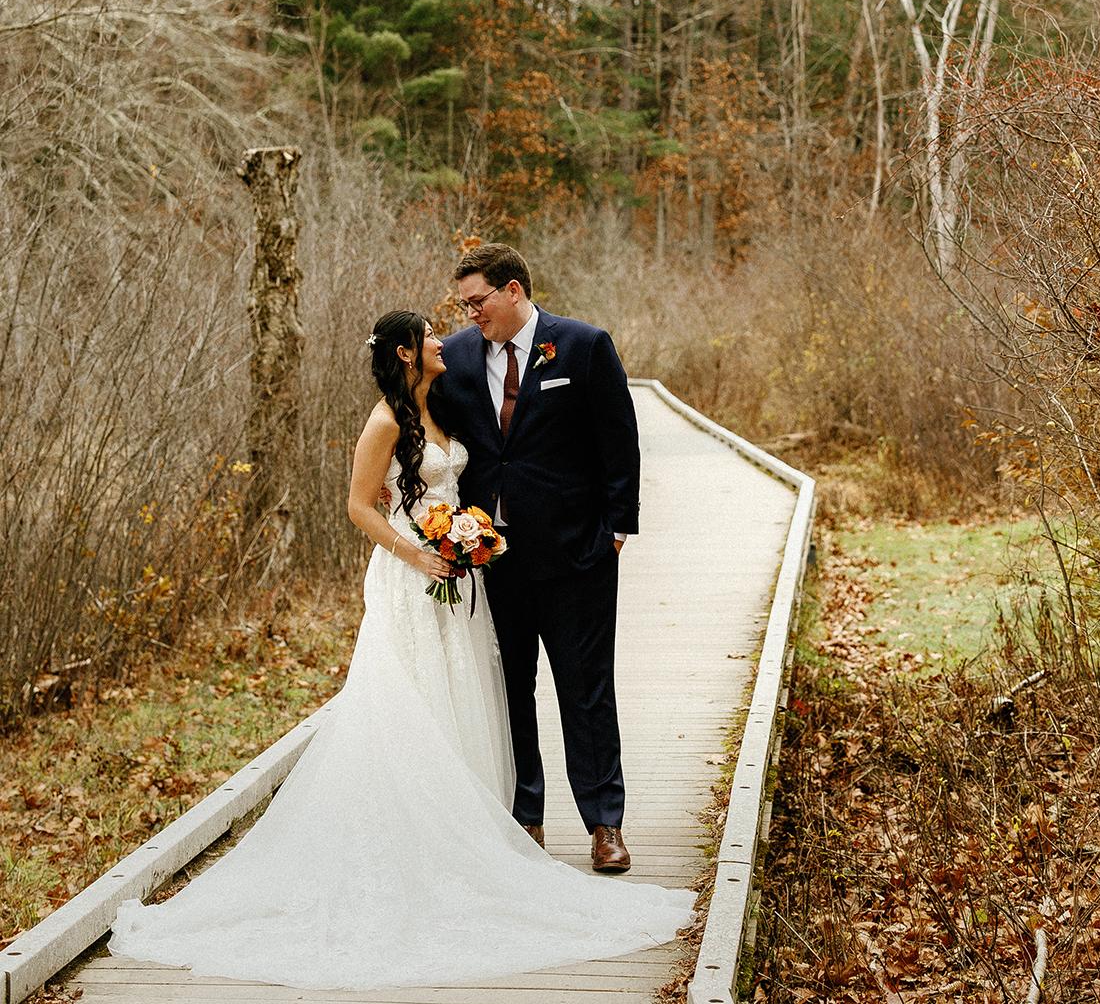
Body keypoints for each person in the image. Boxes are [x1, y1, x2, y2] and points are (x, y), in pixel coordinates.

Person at [108, 311, 691, 990]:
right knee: (412, 700)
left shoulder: (444, 401)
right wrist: (420, 554)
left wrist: (475, 535)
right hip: (413, 580)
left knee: (471, 695)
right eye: (433, 336)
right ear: (411, 351)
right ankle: (423, 841)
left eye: (460, 318)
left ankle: (512, 831)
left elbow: (527, 457)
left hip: (474, 573)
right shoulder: (386, 419)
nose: (451, 338)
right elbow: (360, 506)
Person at [437, 243, 639, 874]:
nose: (471, 314)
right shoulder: (459, 356)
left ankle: (605, 823)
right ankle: (527, 817)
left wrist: (616, 529)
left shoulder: (582, 346)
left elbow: (618, 437)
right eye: (464, 304)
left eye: (479, 301)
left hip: (578, 553)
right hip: (492, 560)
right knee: (510, 692)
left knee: (586, 691)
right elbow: (426, 423)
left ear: (514, 290)